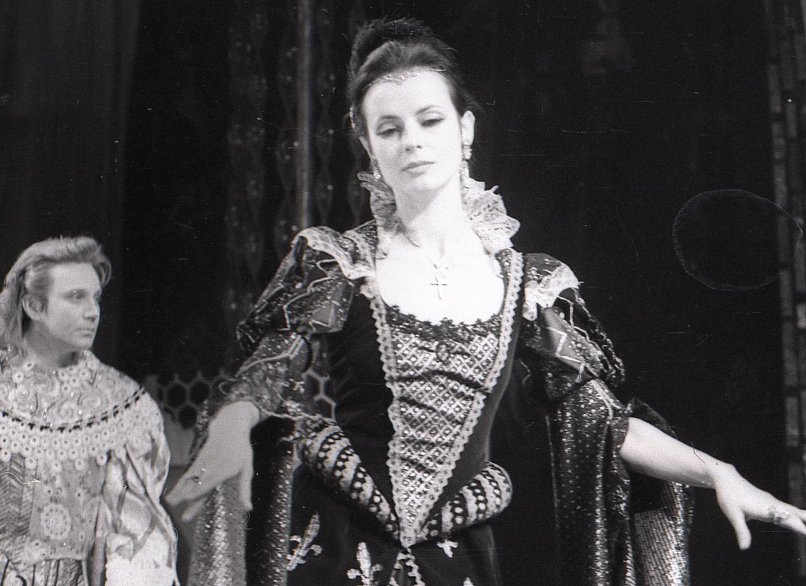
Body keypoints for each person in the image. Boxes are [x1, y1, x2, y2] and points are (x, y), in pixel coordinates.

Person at [167, 19, 806, 585]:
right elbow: (270, 366)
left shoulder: (532, 285)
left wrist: (718, 471)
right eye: (389, 128)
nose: (411, 141)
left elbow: (604, 425)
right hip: (334, 546)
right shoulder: (339, 261)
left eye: (430, 120)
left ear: (465, 129)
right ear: (368, 147)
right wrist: (233, 425)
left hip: (458, 558)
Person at [0, 237, 178, 586]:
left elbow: (136, 541)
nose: (93, 311)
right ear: (34, 306)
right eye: (76, 297)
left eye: (96, 297)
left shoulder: (122, 408)